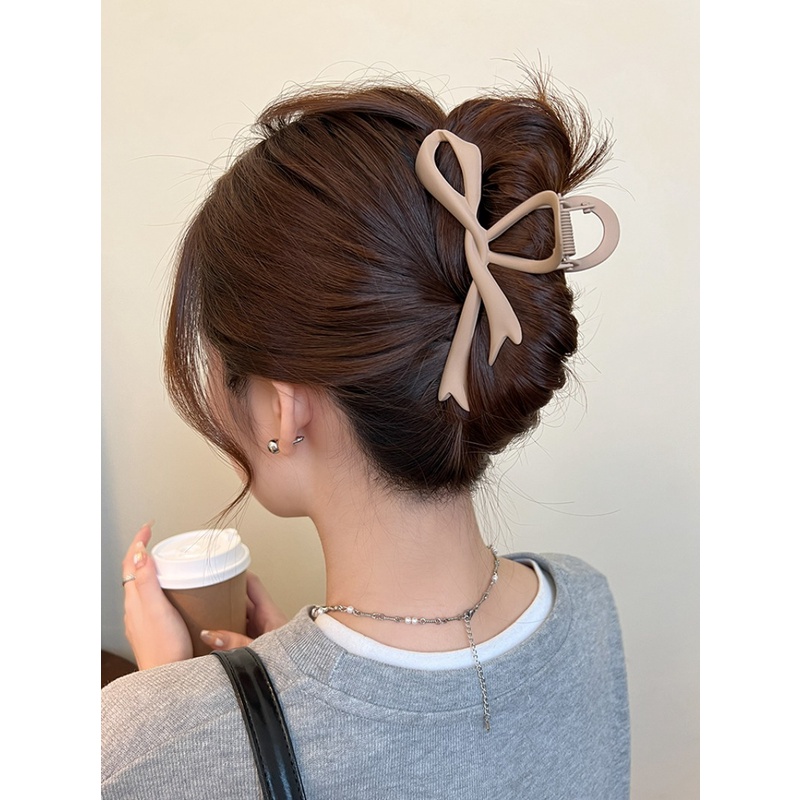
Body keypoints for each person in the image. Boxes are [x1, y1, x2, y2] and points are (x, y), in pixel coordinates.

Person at [102, 73, 630, 799]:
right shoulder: (587, 605)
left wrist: (177, 713)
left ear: (282, 410)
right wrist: (245, 694)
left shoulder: (137, 744)